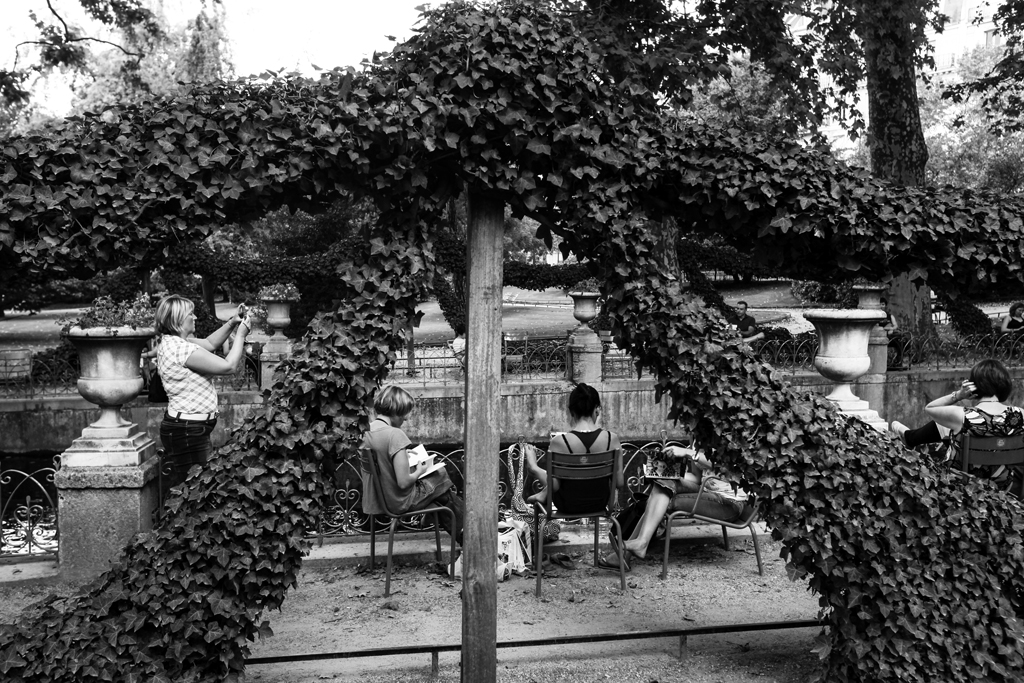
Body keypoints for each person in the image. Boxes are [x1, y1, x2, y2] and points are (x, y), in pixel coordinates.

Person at [601, 444, 752, 571]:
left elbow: (728, 467)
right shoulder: (700, 435)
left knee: (662, 499)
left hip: (729, 503)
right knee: (662, 482)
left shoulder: (729, 435)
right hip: (705, 492)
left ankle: (632, 549)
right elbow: (696, 479)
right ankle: (639, 544)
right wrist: (668, 472)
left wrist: (688, 453)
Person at [155, 295, 251, 495]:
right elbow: (228, 366)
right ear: (177, 320)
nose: (195, 317)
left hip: (188, 429)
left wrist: (232, 322)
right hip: (188, 431)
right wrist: (241, 335)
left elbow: (209, 343)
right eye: (190, 314)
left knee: (194, 490)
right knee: (197, 492)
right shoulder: (181, 349)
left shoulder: (175, 342)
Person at [362, 385, 464, 546]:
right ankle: (469, 536)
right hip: (400, 502)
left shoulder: (366, 431)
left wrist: (402, 455)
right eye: (405, 413)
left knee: (444, 499)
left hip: (379, 500)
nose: (406, 419)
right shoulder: (395, 435)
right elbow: (403, 482)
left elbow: (382, 459)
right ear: (396, 410)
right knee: (440, 474)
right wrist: (419, 471)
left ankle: (462, 532)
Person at [891, 359, 1024, 467]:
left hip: (963, 484)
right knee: (949, 426)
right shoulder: (1021, 414)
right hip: (1006, 484)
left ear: (974, 386)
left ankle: (909, 437)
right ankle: (910, 437)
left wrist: (959, 395)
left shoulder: (962, 416)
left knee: (950, 425)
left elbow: (930, 408)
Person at [524, 383, 624, 514]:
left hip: (567, 505)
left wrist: (534, 467)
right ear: (597, 409)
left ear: (571, 411)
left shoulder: (559, 442)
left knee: (559, 477)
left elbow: (554, 486)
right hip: (599, 505)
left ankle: (541, 492)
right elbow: (619, 483)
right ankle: (542, 495)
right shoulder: (612, 439)